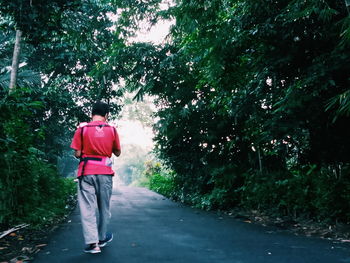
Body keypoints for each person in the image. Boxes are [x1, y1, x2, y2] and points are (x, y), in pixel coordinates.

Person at [70, 101, 121, 254]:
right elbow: (117, 152)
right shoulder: (112, 129)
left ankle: (93, 244)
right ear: (106, 115)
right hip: (105, 173)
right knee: (104, 207)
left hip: (86, 172)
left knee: (88, 208)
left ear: (92, 114)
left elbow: (77, 153)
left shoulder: (82, 129)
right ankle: (102, 237)